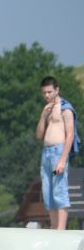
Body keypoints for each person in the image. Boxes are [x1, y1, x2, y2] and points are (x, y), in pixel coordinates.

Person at [35, 76, 79, 230]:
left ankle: (61, 231)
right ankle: (54, 230)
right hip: (46, 153)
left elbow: (70, 135)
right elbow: (39, 135)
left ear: (57, 90)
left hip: (58, 152)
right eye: (44, 93)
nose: (47, 95)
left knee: (59, 191)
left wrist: (62, 160)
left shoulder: (66, 108)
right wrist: (43, 116)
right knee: (48, 194)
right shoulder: (47, 109)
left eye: (50, 92)